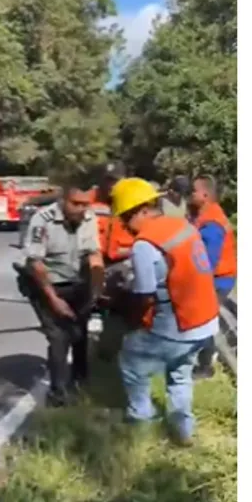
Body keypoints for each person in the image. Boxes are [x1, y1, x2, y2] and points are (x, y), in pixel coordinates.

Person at [110, 177, 219, 446]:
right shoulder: (182, 225)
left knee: (131, 360)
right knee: (180, 374)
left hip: (178, 324)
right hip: (205, 322)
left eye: (126, 216)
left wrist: (131, 319)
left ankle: (140, 423)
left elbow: (144, 293)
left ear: (144, 210)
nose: (123, 224)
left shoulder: (145, 244)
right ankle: (183, 431)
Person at [20, 179, 105, 406]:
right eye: (75, 203)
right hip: (46, 282)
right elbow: (36, 264)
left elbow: (94, 256)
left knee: (79, 333)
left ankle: (81, 383)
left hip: (76, 281)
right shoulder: (42, 220)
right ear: (63, 200)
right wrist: (54, 300)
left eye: (85, 204)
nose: (81, 209)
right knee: (59, 337)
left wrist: (96, 293)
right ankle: (57, 396)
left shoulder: (89, 218)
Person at [189, 175, 237, 378]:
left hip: (218, 280)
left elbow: (209, 260)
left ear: (205, 195)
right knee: (206, 320)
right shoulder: (206, 215)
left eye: (194, 191)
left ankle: (206, 366)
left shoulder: (212, 223)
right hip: (219, 278)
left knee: (206, 321)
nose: (190, 195)